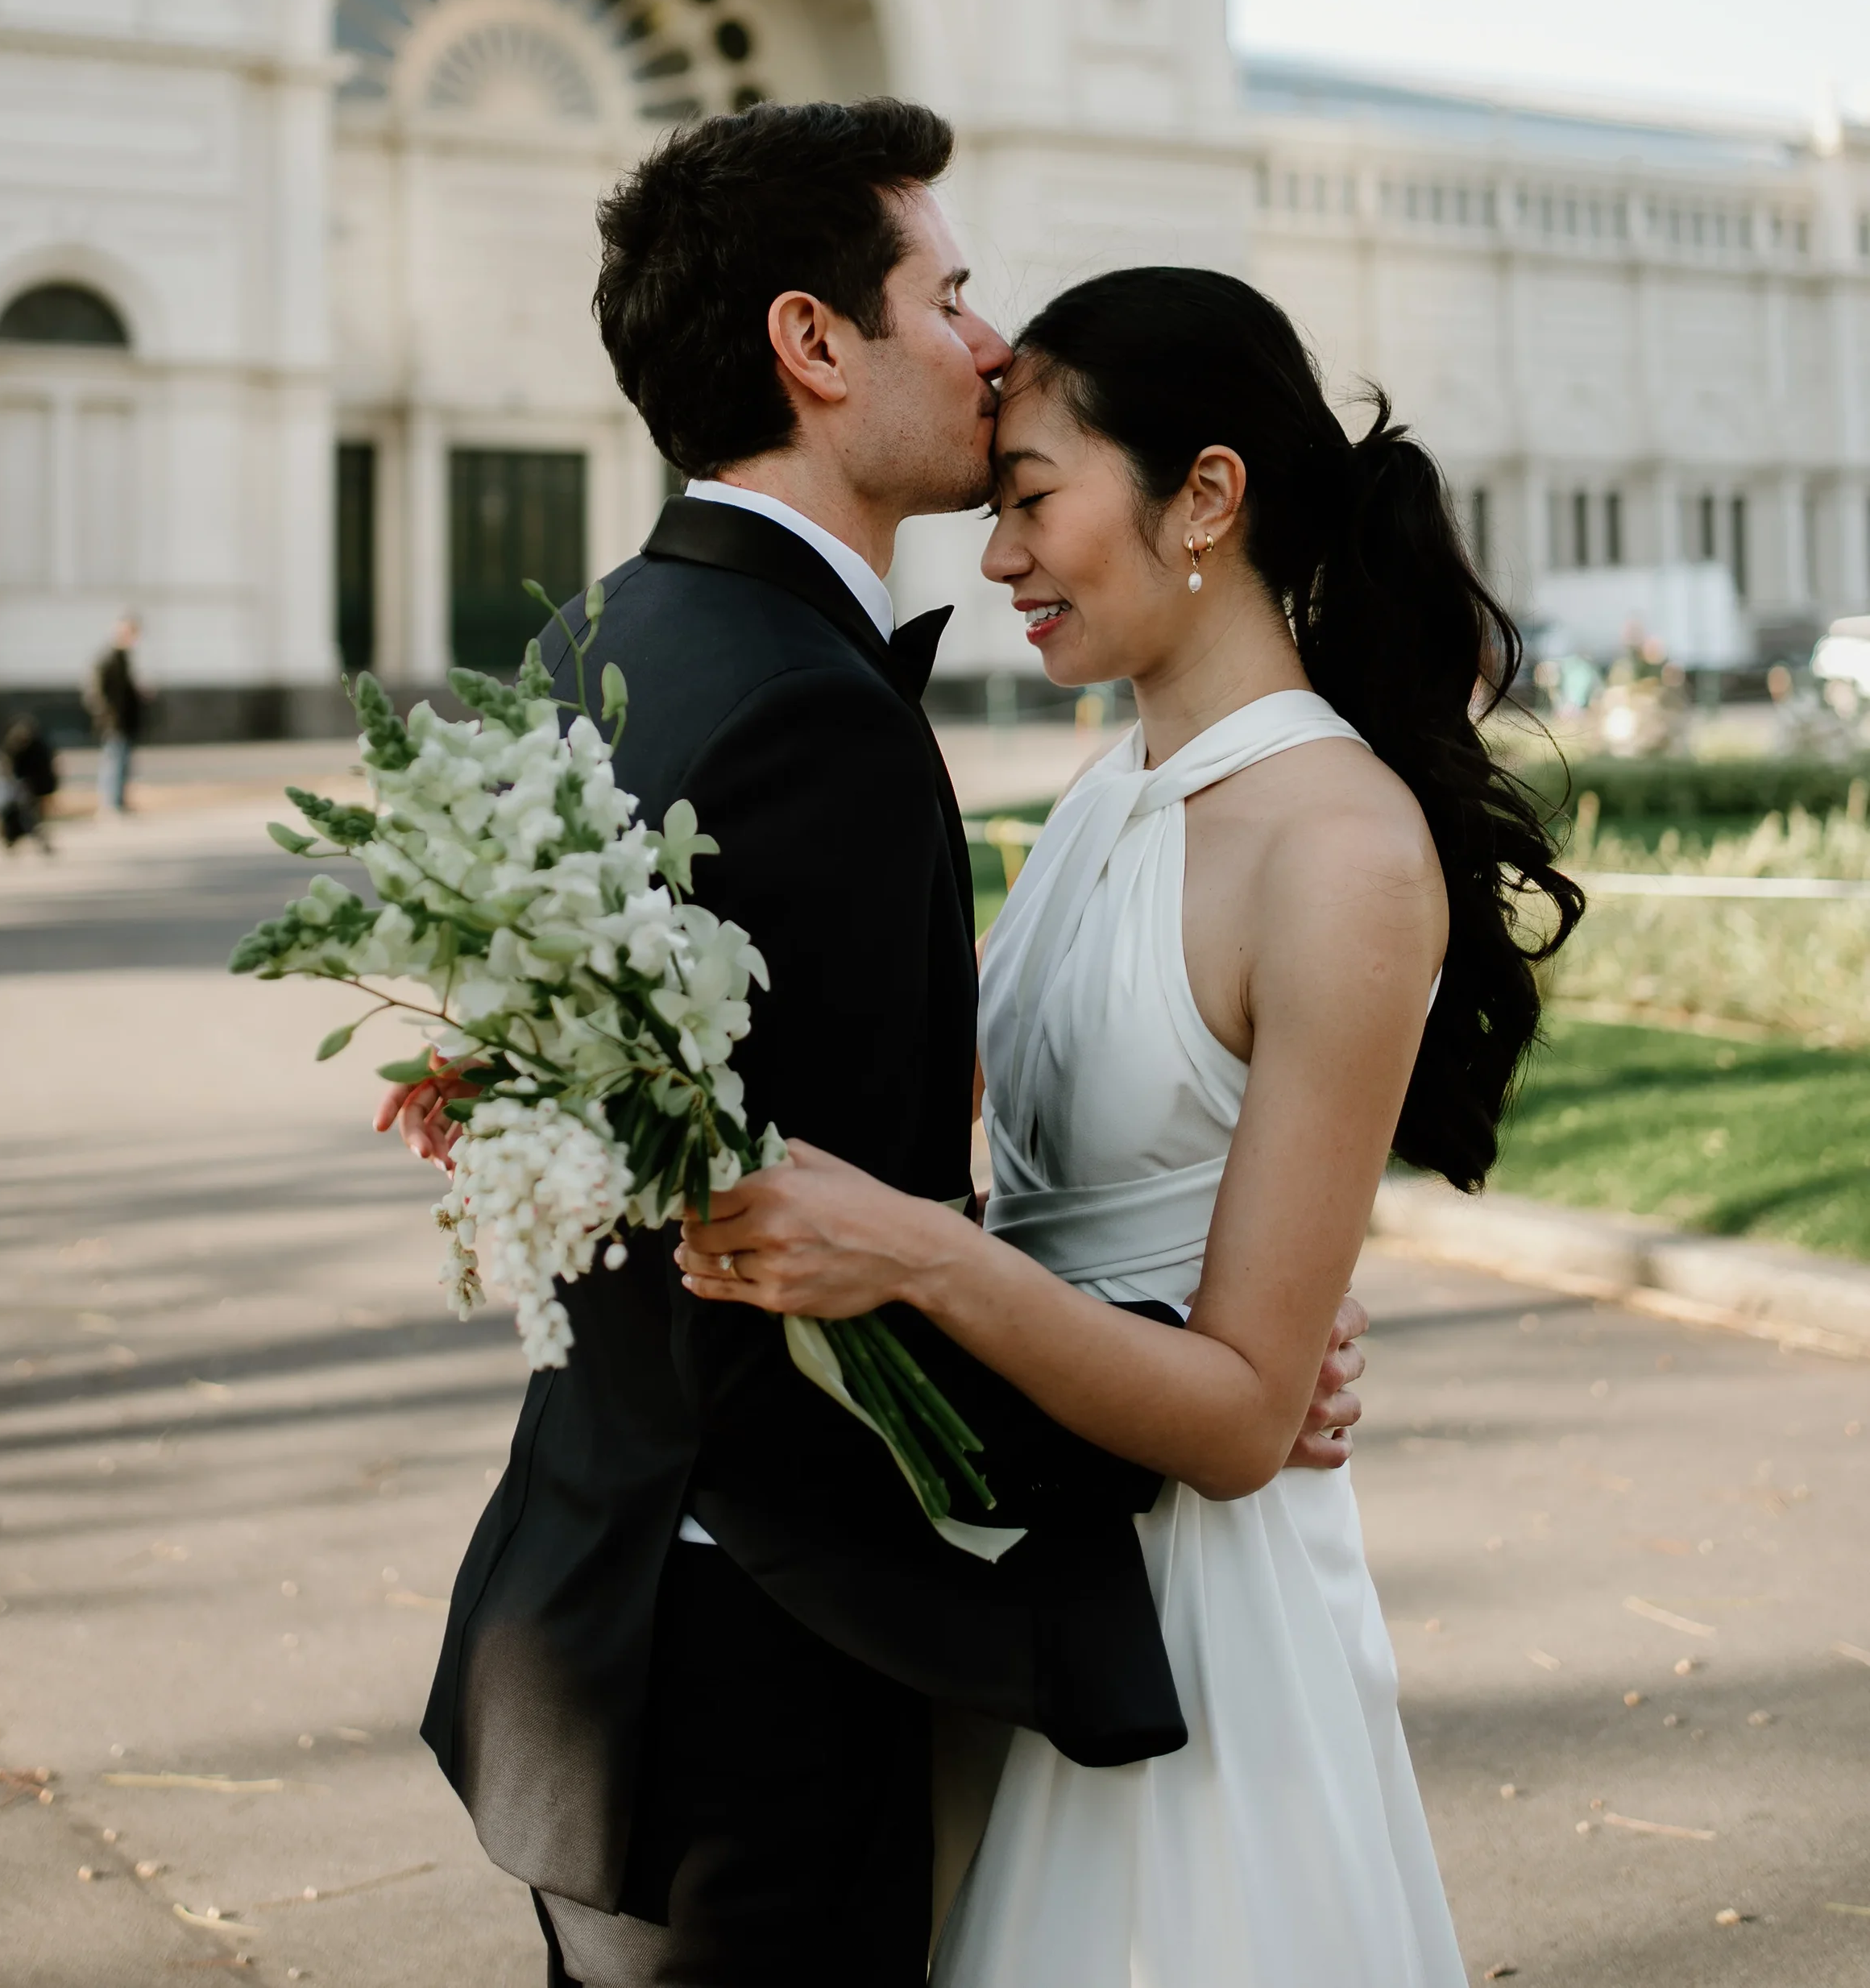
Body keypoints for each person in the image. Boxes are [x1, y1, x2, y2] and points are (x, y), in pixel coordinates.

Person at [382, 106, 1367, 1988]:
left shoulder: (607, 633)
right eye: (949, 290)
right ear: (812, 342)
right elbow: (805, 1279)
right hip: (755, 1666)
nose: (988, 346)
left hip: (597, 1615)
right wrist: (1193, 1398)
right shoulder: (802, 712)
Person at [678, 265, 1584, 1988]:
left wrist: (928, 1254)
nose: (996, 556)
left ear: (1207, 496)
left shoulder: (1337, 849)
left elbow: (1242, 1420)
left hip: (1196, 1632)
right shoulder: (1103, 795)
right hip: (1011, 1569)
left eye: (1029, 501)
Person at [85, 617, 144, 814]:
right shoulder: (109, 658)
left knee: (123, 762)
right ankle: (109, 804)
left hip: (125, 720)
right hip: (113, 721)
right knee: (113, 761)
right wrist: (105, 714)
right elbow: (96, 691)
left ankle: (119, 802)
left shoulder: (124, 658)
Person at [0, 714, 61, 852]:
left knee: (34, 818)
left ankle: (41, 842)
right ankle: (17, 839)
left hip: (35, 787)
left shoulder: (39, 748)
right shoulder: (15, 749)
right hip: (21, 788)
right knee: (26, 817)